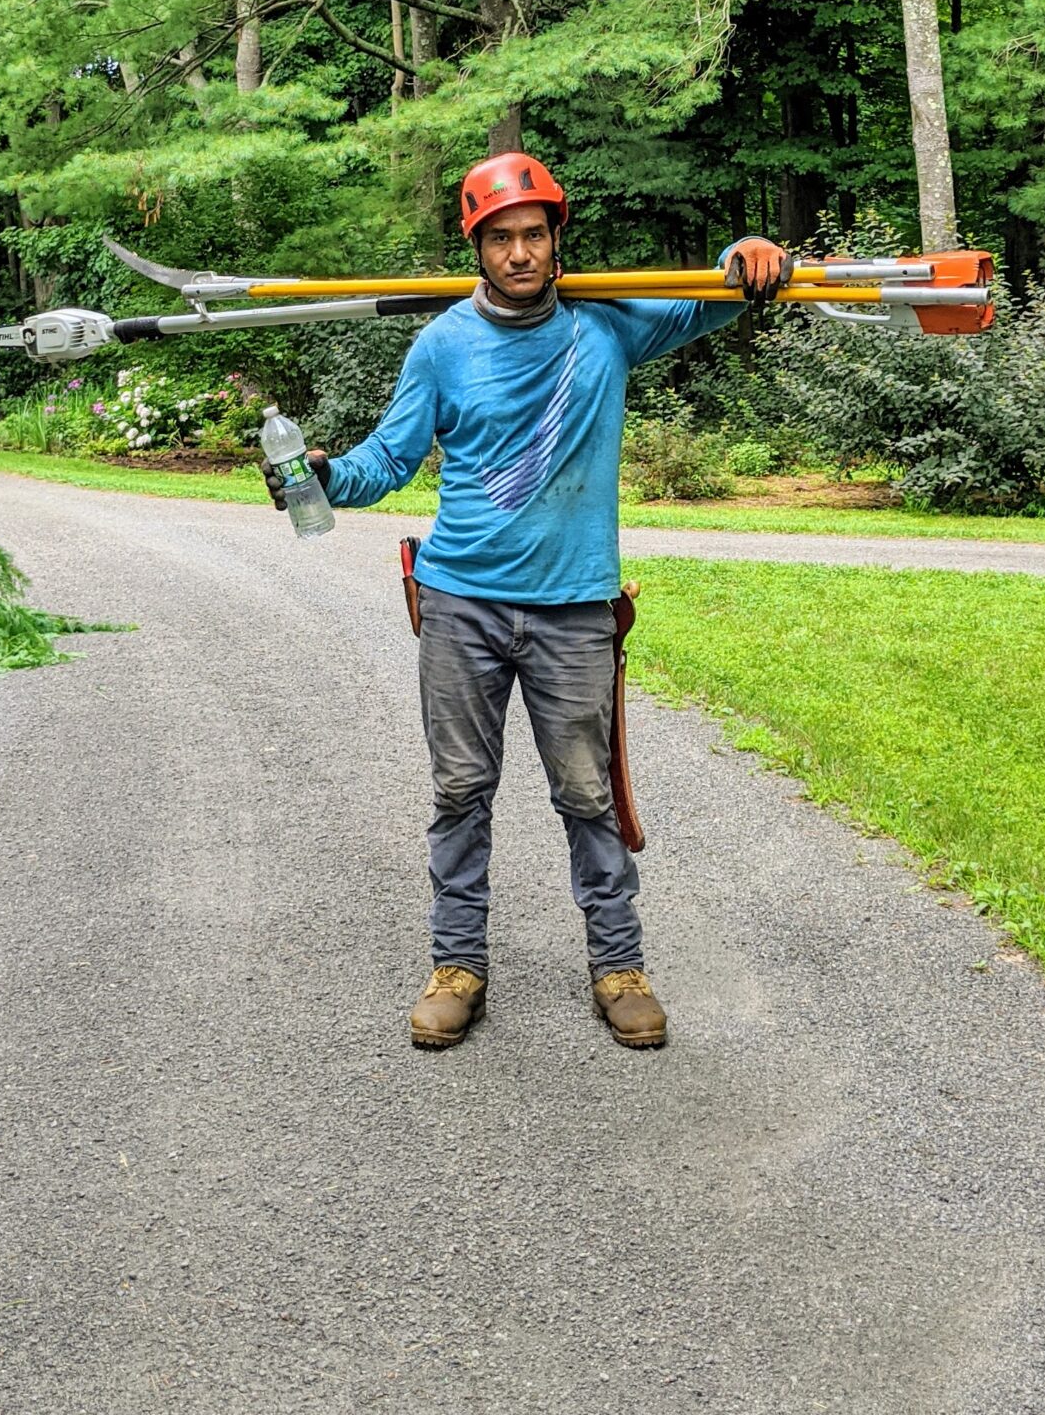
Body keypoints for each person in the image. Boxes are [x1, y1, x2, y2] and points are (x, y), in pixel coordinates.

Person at [265, 153, 791, 1050]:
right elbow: (384, 462)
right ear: (476, 245)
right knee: (461, 789)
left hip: (573, 608)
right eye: (501, 237)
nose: (519, 252)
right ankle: (456, 966)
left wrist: (748, 251)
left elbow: (720, 294)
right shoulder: (440, 346)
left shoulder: (609, 327)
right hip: (461, 601)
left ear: (556, 240)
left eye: (533, 235)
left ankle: (617, 969)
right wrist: (320, 478)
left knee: (587, 794)